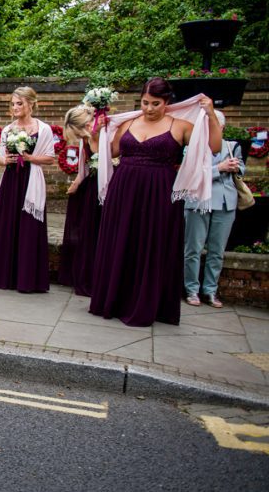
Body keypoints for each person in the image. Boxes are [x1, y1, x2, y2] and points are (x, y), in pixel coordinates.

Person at [90, 78, 222, 326]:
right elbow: (106, 152)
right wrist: (95, 133)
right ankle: (115, 299)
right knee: (122, 241)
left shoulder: (181, 126)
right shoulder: (128, 123)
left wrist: (211, 115)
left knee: (152, 244)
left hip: (160, 193)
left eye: (155, 103)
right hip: (124, 190)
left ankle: (147, 303)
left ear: (167, 102)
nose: (149, 108)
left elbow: (213, 147)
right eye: (145, 102)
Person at [0, 86, 55, 292]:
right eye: (13, 103)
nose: (15, 107)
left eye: (19, 103)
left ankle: (27, 279)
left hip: (30, 180)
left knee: (29, 226)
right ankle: (2, 277)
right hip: (11, 181)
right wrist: (3, 159)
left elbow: (50, 158)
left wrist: (31, 158)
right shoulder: (7, 129)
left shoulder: (43, 129)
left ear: (31, 104)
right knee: (6, 224)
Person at [184, 110, 242, 309]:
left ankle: (210, 290)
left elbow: (242, 168)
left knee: (217, 251)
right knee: (193, 249)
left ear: (222, 127)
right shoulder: (192, 147)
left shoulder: (232, 146)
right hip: (199, 202)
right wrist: (220, 168)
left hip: (226, 203)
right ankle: (191, 289)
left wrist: (235, 166)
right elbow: (191, 175)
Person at [57, 105, 102, 296]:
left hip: (110, 186)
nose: (83, 135)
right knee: (87, 231)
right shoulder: (85, 140)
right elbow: (84, 167)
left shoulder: (109, 134)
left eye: (82, 130)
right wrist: (76, 183)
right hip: (91, 188)